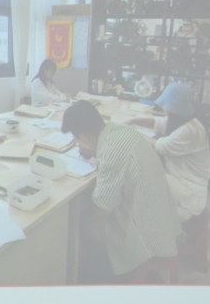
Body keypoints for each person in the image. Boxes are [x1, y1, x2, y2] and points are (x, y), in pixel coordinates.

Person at [61, 101, 180, 282]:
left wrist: (83, 217)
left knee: (82, 227)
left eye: (78, 139)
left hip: (146, 233)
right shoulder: (122, 132)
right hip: (160, 217)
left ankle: (92, 280)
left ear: (83, 137)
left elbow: (102, 208)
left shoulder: (111, 152)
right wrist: (97, 154)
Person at [129, 82, 210, 222]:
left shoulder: (188, 131)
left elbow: (160, 145)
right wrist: (132, 120)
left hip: (189, 192)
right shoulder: (185, 121)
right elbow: (157, 122)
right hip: (181, 180)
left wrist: (130, 131)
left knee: (141, 175)